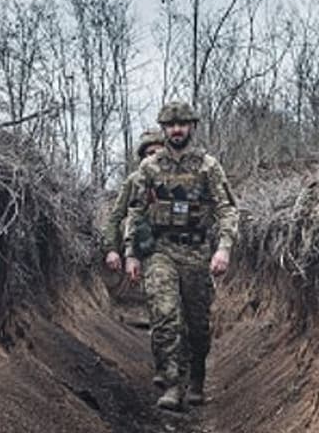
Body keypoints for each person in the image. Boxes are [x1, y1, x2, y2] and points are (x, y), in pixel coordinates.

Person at [124, 101, 238, 411]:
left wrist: (224, 247)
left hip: (197, 252)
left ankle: (196, 378)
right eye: (171, 125)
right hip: (160, 251)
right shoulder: (149, 168)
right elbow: (135, 211)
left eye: (182, 124)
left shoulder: (207, 166)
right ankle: (172, 384)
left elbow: (226, 209)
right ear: (163, 129)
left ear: (192, 127)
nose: (177, 130)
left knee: (197, 324)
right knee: (164, 316)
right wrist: (131, 253)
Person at [102, 129, 165, 273]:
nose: (155, 157)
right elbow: (115, 217)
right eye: (150, 153)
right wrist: (110, 250)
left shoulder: (177, 180)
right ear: (143, 157)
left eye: (159, 152)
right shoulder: (134, 181)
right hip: (139, 245)